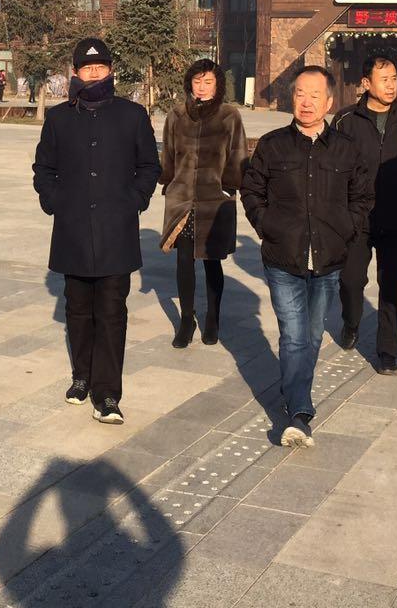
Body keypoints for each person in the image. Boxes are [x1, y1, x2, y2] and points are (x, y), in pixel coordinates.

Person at [241, 65, 372, 447]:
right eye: (300, 93)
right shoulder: (272, 145)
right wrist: (268, 226)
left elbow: (362, 197)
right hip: (283, 258)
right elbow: (252, 190)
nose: (307, 102)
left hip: (328, 260)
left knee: (312, 337)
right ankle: (300, 413)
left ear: (329, 102)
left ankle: (295, 394)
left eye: (315, 95)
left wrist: (346, 230)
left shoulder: (346, 149)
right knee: (294, 336)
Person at [33, 37, 160, 424]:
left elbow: (149, 166)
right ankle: (82, 376)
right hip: (72, 230)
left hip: (116, 231)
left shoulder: (132, 115)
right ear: (75, 72)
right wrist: (54, 200)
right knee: (77, 309)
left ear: (110, 71)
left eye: (100, 67)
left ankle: (107, 394)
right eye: (87, 68)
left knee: (111, 313)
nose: (93, 74)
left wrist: (134, 200)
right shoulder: (59, 118)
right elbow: (44, 168)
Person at [333, 53, 397, 373]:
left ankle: (388, 352)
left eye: (394, 79)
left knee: (392, 285)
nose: (391, 85)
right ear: (366, 83)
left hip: (396, 218)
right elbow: (334, 166)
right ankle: (351, 322)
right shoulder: (345, 121)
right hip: (357, 220)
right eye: (384, 79)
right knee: (350, 280)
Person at [159, 59, 248, 348]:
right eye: (197, 81)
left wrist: (230, 185)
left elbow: (238, 155)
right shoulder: (176, 115)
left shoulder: (229, 116)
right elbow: (168, 154)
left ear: (218, 85)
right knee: (184, 260)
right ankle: (187, 319)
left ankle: (213, 317)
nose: (202, 87)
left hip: (215, 199)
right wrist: (168, 182)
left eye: (208, 82)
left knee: (212, 261)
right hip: (183, 198)